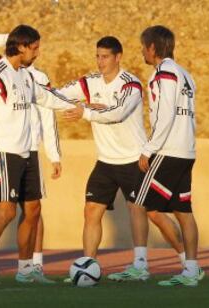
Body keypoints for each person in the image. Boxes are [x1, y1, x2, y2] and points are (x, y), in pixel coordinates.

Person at [62, 36, 187, 282]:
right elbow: (59, 95)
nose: (100, 62)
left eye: (105, 56)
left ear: (118, 57)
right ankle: (88, 266)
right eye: (97, 56)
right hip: (105, 161)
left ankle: (181, 260)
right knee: (91, 211)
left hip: (134, 158)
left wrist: (87, 110)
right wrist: (35, 90)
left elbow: (117, 114)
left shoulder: (131, 84)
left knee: (147, 212)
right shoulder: (90, 82)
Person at [0, 24, 75, 285]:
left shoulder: (25, 76)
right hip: (4, 152)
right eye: (34, 47)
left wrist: (81, 106)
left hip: (28, 154)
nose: (37, 53)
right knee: (5, 211)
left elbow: (47, 98)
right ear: (21, 46)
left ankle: (26, 270)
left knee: (33, 209)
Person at [131, 25, 203, 287]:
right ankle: (191, 269)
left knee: (139, 202)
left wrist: (149, 149)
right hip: (186, 150)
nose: (142, 51)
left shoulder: (164, 74)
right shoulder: (186, 74)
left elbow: (166, 114)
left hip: (169, 150)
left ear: (152, 48)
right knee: (183, 211)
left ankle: (140, 265)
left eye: (143, 46)